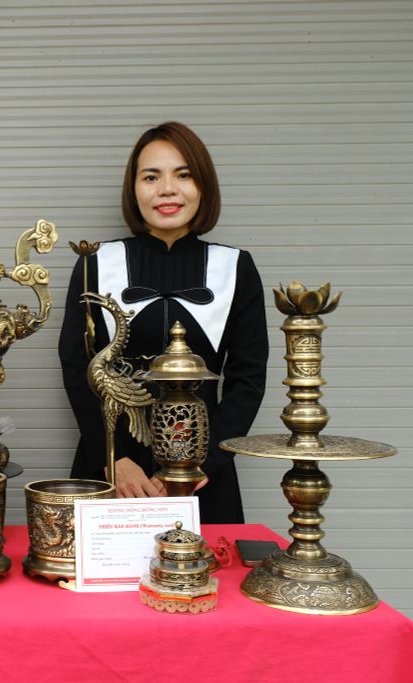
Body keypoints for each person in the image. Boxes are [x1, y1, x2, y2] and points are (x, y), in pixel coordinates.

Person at [58, 121, 268, 524]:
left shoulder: (235, 267)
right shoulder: (95, 264)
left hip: (204, 476)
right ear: (133, 189)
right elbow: (77, 368)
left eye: (183, 175)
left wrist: (201, 463)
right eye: (151, 177)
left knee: (206, 565)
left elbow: (248, 379)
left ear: (203, 186)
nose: (167, 189)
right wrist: (113, 459)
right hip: (111, 470)